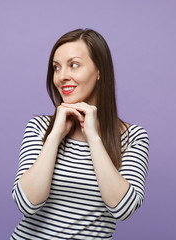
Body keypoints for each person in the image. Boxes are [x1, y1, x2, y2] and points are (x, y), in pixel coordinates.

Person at [10, 28, 149, 240]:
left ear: (99, 70)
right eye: (56, 67)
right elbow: (26, 204)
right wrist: (55, 135)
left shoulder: (133, 138)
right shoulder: (39, 127)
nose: (62, 76)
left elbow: (123, 209)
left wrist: (94, 138)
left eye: (74, 65)